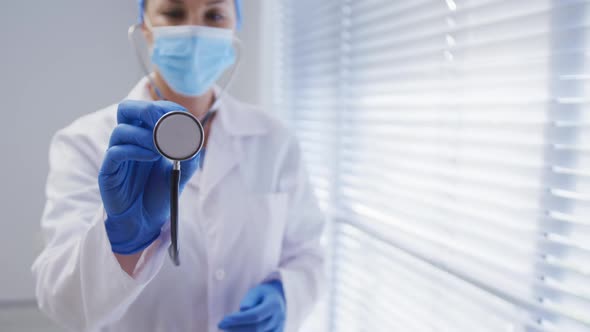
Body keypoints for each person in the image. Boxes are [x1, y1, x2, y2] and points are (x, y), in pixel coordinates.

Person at [31, 0, 325, 331]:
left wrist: (285, 294)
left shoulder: (274, 139)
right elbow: (61, 302)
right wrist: (122, 244)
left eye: (214, 15)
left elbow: (308, 253)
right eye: (174, 13)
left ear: (234, 31)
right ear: (145, 29)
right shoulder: (86, 142)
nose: (195, 32)